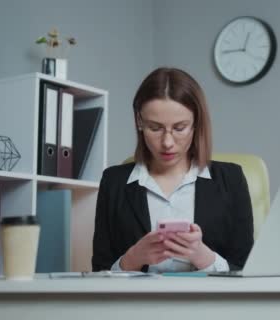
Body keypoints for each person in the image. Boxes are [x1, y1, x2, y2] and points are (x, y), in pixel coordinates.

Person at [92, 67, 254, 273]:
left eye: (179, 128)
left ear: (196, 124)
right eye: (155, 128)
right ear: (139, 122)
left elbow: (246, 271)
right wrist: (132, 259)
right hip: (137, 304)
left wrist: (205, 257)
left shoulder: (231, 180)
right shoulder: (113, 182)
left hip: (209, 304)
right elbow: (99, 271)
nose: (167, 142)